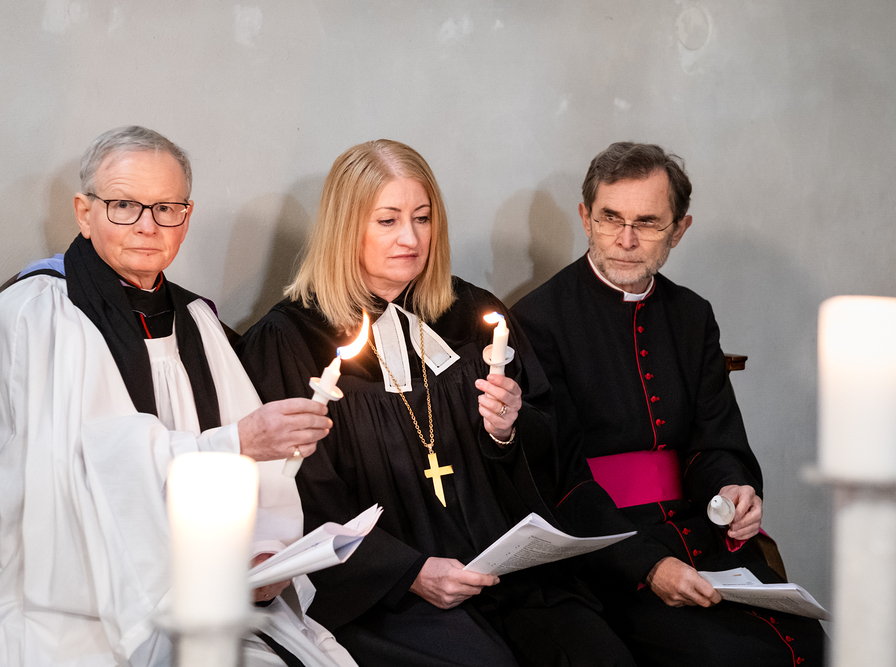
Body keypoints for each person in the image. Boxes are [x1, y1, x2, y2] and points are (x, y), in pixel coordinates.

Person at [237, 139, 637, 667]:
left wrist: (506, 432)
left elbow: (551, 445)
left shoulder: (474, 315)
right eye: (388, 220)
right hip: (384, 592)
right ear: (345, 227)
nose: (410, 238)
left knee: (599, 656)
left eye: (422, 218)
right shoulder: (291, 340)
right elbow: (300, 494)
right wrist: (408, 572)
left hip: (501, 573)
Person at [0, 126, 357, 667]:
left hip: (210, 594)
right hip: (80, 608)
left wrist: (263, 554)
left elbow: (261, 474)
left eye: (167, 208)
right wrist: (234, 443)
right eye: (124, 205)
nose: (148, 226)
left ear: (186, 219)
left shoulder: (197, 321)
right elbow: (75, 476)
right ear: (84, 213)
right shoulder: (40, 314)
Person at [511, 142, 826, 666]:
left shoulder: (691, 315)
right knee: (723, 656)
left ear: (679, 230)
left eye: (648, 223)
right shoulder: (538, 321)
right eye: (611, 218)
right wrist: (647, 566)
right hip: (604, 553)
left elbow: (716, 440)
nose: (626, 240)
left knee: (807, 643)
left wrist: (734, 489)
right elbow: (558, 478)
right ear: (586, 217)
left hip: (699, 531)